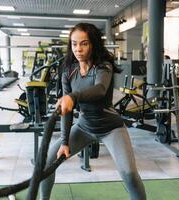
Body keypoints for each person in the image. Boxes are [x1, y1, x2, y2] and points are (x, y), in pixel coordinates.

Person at [39, 23, 146, 200]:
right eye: (74, 44)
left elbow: (100, 89)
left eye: (84, 43)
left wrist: (73, 96)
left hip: (111, 129)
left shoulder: (103, 67)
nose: (78, 49)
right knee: (46, 162)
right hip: (83, 127)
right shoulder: (69, 72)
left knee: (129, 174)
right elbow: (67, 110)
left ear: (93, 44)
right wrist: (65, 142)